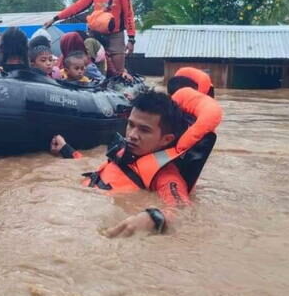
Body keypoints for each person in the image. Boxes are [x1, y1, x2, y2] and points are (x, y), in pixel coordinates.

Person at [50, 88, 222, 237]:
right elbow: (99, 172)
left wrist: (153, 217)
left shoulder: (166, 176)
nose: (132, 134)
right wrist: (67, 150)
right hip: (68, 212)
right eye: (131, 125)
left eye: (144, 130)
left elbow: (183, 210)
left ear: (166, 139)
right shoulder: (125, 153)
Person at [43, 0, 136, 77]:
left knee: (119, 72)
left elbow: (129, 15)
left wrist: (131, 39)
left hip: (115, 36)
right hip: (95, 34)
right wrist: (56, 18)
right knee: (77, 43)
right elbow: (77, 6)